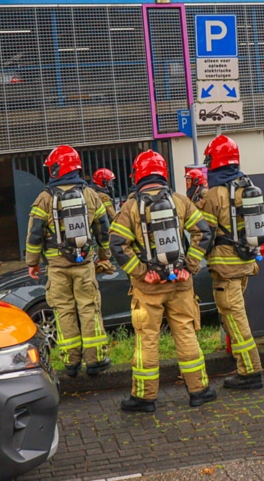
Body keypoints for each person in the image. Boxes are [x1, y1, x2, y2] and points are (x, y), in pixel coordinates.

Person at [110, 150, 215, 412]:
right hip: (180, 283)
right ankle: (199, 391)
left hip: (149, 289)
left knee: (147, 339)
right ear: (163, 173)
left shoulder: (131, 207)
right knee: (186, 333)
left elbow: (117, 244)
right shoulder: (180, 201)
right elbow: (203, 232)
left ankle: (144, 399)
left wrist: (142, 272)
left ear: (138, 175)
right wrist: (189, 267)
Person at [26, 146, 113, 378]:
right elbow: (103, 228)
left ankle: (71, 362)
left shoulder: (45, 198)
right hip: (84, 263)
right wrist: (104, 255)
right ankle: (96, 359)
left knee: (63, 310)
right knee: (89, 307)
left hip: (57, 266)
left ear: (56, 168)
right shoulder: (91, 195)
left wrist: (32, 262)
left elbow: (35, 233)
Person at [195, 136, 264, 390]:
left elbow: (206, 234)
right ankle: (243, 365)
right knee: (233, 318)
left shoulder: (215, 194)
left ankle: (250, 372)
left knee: (236, 321)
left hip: (225, 270)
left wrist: (193, 261)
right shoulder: (246, 185)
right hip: (246, 263)